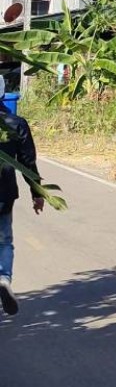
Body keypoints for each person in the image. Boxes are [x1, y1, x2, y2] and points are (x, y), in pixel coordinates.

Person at [0, 102, 45, 315]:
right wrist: (37, 193)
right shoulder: (16, 123)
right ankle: (3, 279)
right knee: (4, 241)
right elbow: (27, 162)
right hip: (4, 194)